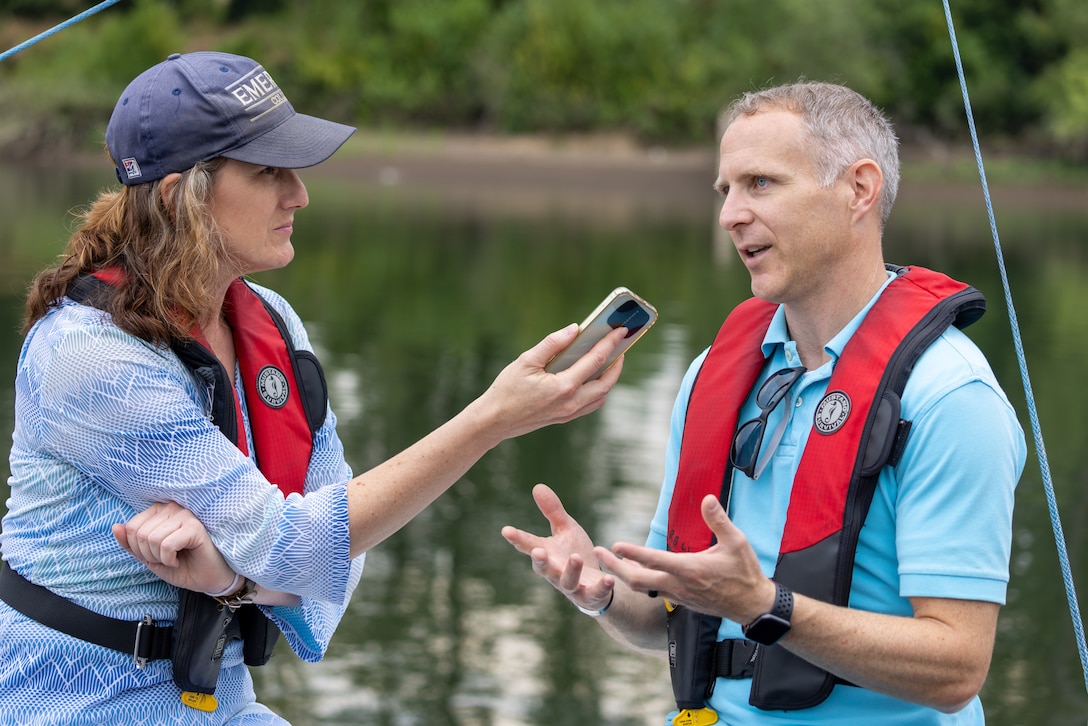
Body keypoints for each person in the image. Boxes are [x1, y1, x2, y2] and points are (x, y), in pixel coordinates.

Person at [0, 51, 628, 725]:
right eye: (268, 171)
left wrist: (236, 578)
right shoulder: (87, 356)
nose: (298, 194)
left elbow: (338, 549)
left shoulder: (271, 321)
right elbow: (302, 545)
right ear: (182, 193)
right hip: (66, 705)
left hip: (217, 703)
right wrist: (490, 420)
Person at [502, 80, 1026, 724]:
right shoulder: (711, 376)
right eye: (726, 191)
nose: (729, 215)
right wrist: (602, 592)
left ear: (859, 190)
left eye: (761, 184)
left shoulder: (951, 398)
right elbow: (666, 618)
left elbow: (957, 669)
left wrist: (764, 605)